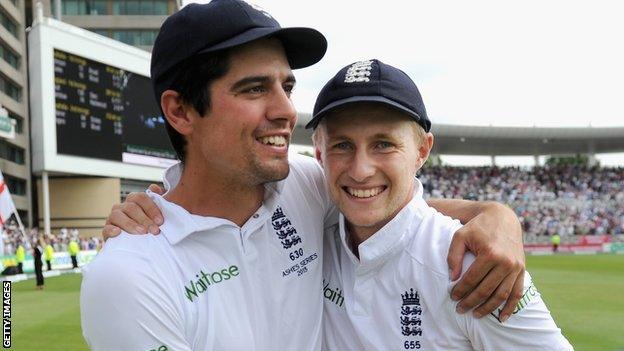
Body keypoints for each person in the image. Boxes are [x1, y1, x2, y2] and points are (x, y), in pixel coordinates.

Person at [83, 1, 524, 349]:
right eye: (255, 89)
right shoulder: (129, 274)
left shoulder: (305, 186)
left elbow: (390, 204)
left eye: (287, 87)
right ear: (180, 111)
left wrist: (495, 215)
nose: (287, 111)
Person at [309, 59, 572, 350]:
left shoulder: (475, 268)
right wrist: (491, 210)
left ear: (422, 151)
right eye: (342, 145)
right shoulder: (313, 231)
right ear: (319, 153)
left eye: (383, 144)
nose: (361, 170)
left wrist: (498, 213)